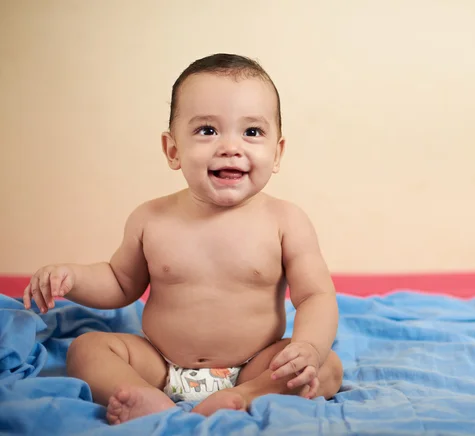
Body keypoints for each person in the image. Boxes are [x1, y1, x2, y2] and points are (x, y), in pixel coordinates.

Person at [23, 53, 343, 424]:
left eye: (251, 132)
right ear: (173, 150)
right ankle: (141, 396)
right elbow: (119, 282)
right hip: (159, 364)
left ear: (277, 152)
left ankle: (242, 396)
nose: (230, 146)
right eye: (207, 130)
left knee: (327, 366)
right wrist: (72, 278)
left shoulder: (286, 221)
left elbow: (316, 296)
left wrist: (307, 347)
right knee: (86, 348)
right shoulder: (151, 218)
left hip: (256, 365)